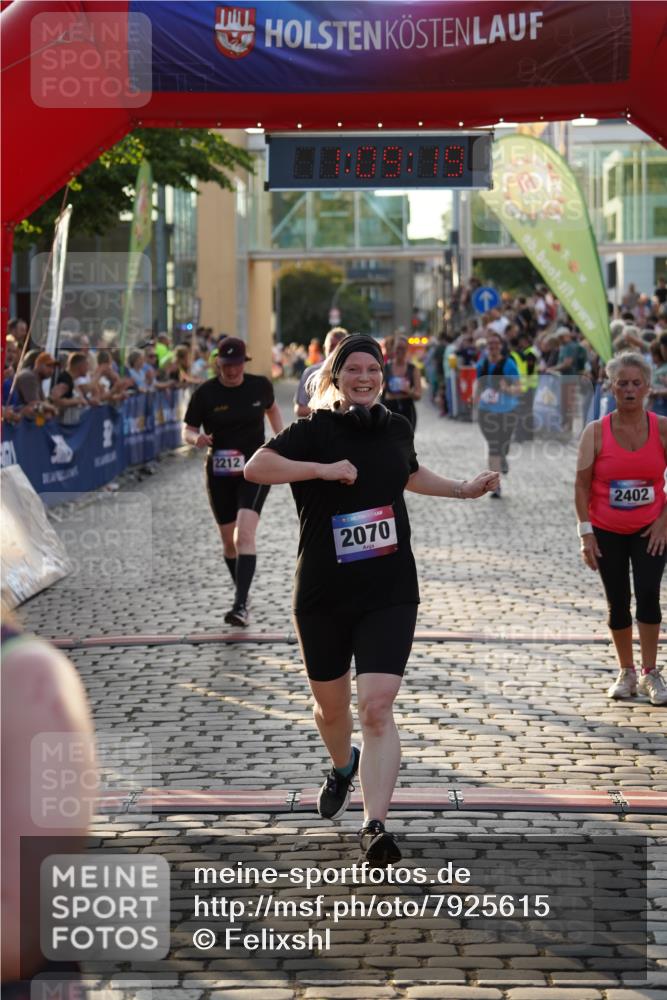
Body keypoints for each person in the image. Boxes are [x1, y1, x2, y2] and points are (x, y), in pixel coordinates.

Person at [244, 334, 498, 864]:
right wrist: (321, 469)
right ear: (335, 377)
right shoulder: (315, 430)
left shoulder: (395, 426)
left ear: (383, 376)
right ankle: (342, 766)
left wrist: (461, 489)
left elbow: (407, 473)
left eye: (373, 369)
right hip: (322, 593)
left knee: (377, 706)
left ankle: (374, 824)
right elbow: (256, 468)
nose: (364, 377)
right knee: (330, 709)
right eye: (353, 369)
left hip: (389, 589)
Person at [575, 352, 667, 705]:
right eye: (622, 384)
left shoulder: (662, 428)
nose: (629, 390)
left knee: (648, 593)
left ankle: (650, 671)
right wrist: (586, 532)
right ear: (610, 387)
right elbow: (581, 485)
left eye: (636, 384)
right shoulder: (595, 432)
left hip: (650, 530)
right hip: (607, 529)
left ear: (648, 387)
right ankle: (626, 670)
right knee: (617, 602)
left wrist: (663, 521)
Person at [183, 336, 283, 626]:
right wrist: (195, 438)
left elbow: (272, 409)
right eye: (226, 366)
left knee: (245, 535)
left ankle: (240, 605)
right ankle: (243, 590)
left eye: (236, 365)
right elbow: (186, 429)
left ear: (244, 363)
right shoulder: (205, 394)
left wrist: (281, 439)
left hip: (255, 468)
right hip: (219, 473)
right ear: (218, 364)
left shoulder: (260, 385)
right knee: (229, 542)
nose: (231, 371)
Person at [474, 331, 520, 496]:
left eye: (496, 344)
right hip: (486, 411)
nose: (493, 347)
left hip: (507, 411)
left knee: (503, 445)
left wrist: (506, 388)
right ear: (486, 347)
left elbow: (519, 388)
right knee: (494, 445)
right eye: (490, 344)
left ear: (500, 346)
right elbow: (478, 386)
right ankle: (496, 487)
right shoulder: (482, 365)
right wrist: (475, 400)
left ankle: (503, 457)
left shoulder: (509, 364)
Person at [294, 327, 348, 419]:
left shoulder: (354, 374)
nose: (335, 351)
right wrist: (333, 411)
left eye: (340, 347)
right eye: (332, 346)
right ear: (324, 348)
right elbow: (299, 409)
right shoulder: (311, 373)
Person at [382, 335, 422, 430]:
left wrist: (408, 391)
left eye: (403, 348)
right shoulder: (385, 367)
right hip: (389, 408)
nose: (399, 351)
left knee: (406, 442)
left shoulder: (413, 369)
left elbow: (418, 395)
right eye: (397, 348)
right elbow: (377, 390)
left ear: (407, 349)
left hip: (406, 409)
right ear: (393, 349)